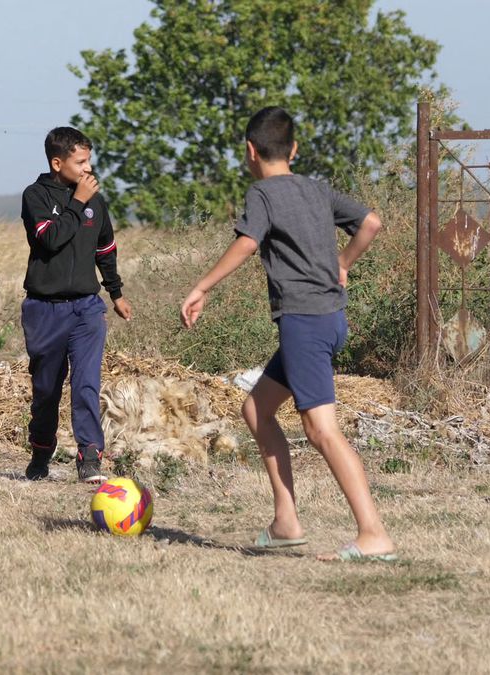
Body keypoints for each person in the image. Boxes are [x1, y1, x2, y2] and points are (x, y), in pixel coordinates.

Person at [179, 107, 396, 561]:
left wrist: (201, 286)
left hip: (304, 322)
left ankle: (373, 533)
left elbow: (247, 241)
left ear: (249, 151)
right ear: (294, 150)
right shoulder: (316, 189)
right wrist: (343, 263)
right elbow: (370, 222)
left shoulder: (262, 193)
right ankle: (286, 522)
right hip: (331, 320)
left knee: (322, 431)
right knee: (256, 410)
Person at [20, 126, 133, 484]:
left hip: (87, 308)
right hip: (44, 310)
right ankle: (41, 452)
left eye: (89, 161)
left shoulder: (94, 200)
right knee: (46, 390)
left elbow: (105, 248)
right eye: (80, 162)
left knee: (86, 383)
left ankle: (89, 457)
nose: (88, 169)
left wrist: (115, 293)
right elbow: (50, 239)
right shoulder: (35, 196)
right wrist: (78, 202)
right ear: (58, 163)